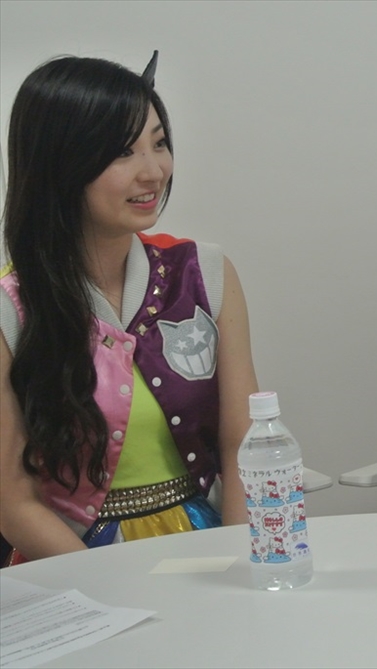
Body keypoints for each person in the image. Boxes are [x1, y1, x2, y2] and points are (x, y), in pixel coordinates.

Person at [0, 52, 259, 564]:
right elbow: (12, 501)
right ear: (60, 163)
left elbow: (242, 442)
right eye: (123, 152)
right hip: (72, 565)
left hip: (204, 546)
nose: (154, 171)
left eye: (159, 144)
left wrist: (238, 565)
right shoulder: (12, 308)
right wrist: (107, 588)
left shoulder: (205, 272)